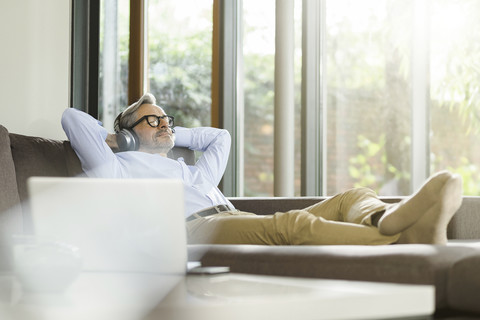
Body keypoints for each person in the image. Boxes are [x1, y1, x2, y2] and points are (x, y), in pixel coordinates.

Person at [62, 93, 463, 246]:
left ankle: (385, 220)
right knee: (291, 226)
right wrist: (114, 139)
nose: (165, 123)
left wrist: (170, 131)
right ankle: (406, 240)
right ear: (129, 132)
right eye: (154, 120)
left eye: (167, 118)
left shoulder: (192, 174)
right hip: (192, 230)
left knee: (351, 196)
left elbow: (221, 137)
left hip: (232, 217)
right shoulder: (116, 168)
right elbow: (71, 119)